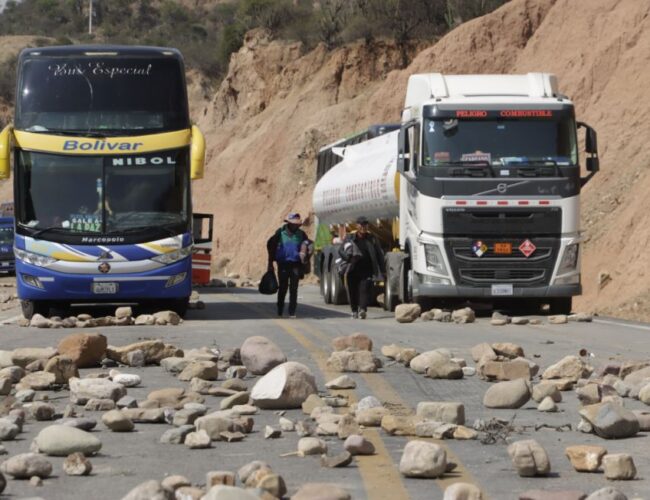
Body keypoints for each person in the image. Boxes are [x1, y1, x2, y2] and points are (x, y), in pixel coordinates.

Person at [339, 216, 385, 319]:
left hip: (367, 269)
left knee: (365, 290)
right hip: (352, 269)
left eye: (365, 225)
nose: (364, 227)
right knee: (352, 290)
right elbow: (341, 250)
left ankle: (363, 310)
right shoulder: (350, 237)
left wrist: (383, 271)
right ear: (357, 226)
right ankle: (354, 310)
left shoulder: (372, 238)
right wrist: (348, 258)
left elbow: (379, 255)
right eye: (361, 225)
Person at [267, 212, 311, 318]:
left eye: (297, 224)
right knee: (283, 287)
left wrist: (305, 258)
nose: (296, 225)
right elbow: (271, 246)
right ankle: (280, 308)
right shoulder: (280, 233)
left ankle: (292, 311)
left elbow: (308, 245)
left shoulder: (302, 234)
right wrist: (270, 263)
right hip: (283, 264)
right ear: (289, 223)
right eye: (293, 223)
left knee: (294, 288)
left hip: (296, 264)